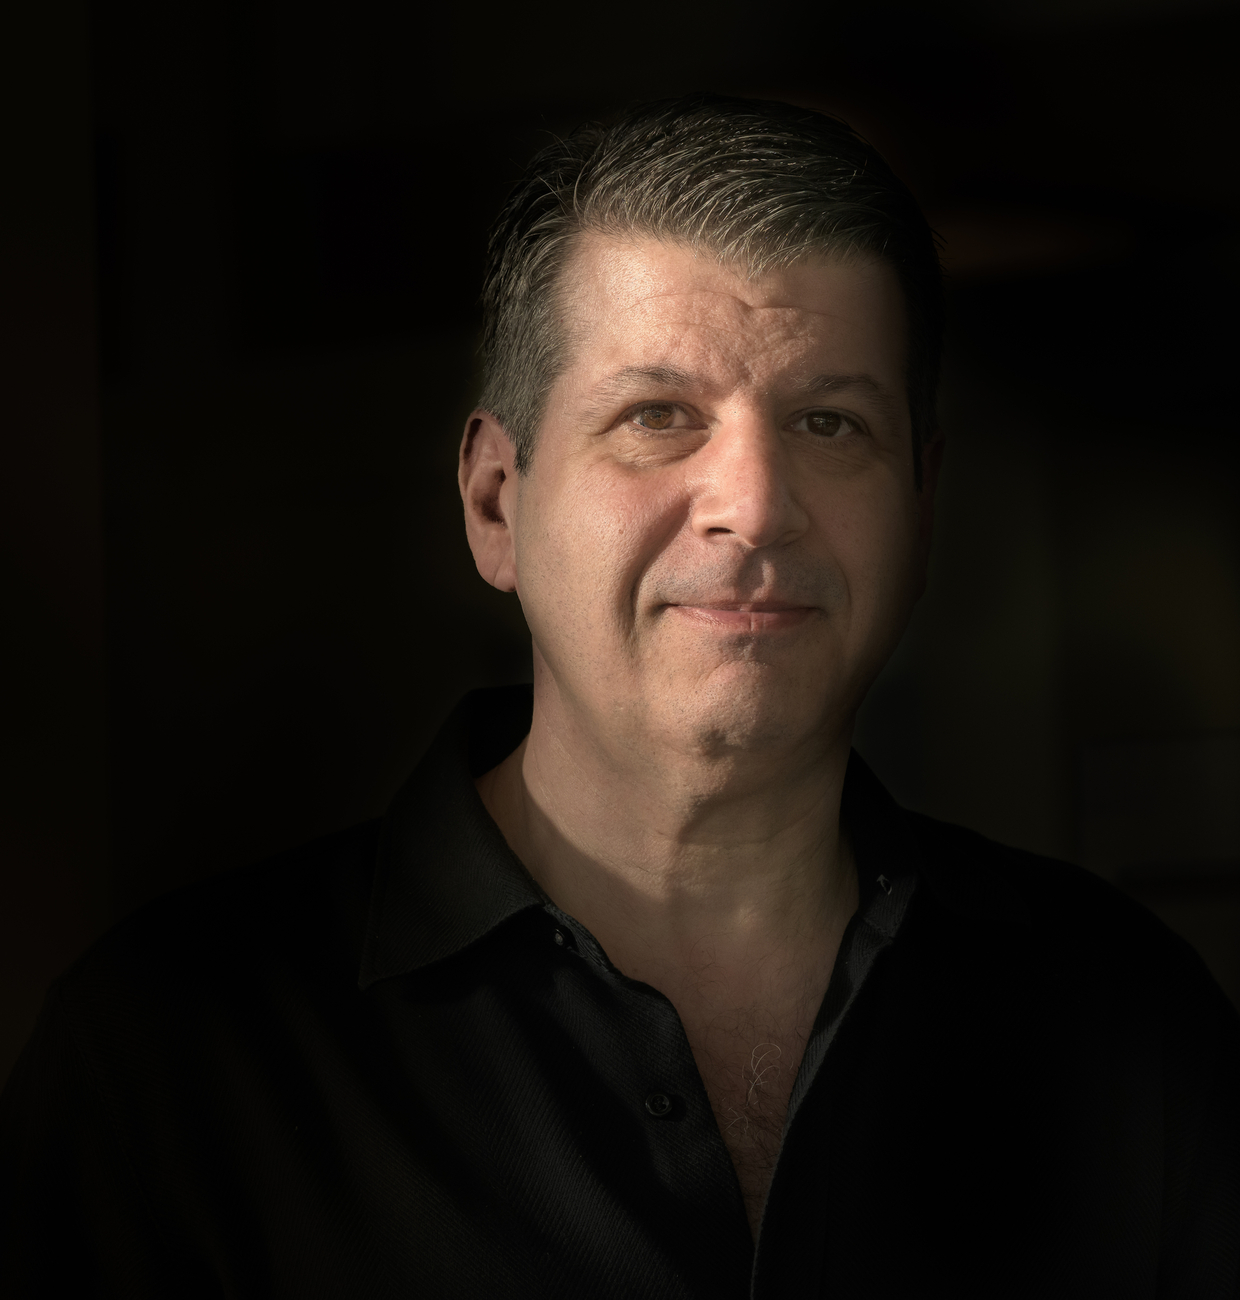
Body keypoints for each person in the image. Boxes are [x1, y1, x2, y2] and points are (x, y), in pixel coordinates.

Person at [2, 94, 1237, 1299]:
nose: (754, 505)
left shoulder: (1131, 1025)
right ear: (496, 503)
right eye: (656, 416)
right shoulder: (171, 1064)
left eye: (828, 422)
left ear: (920, 513)